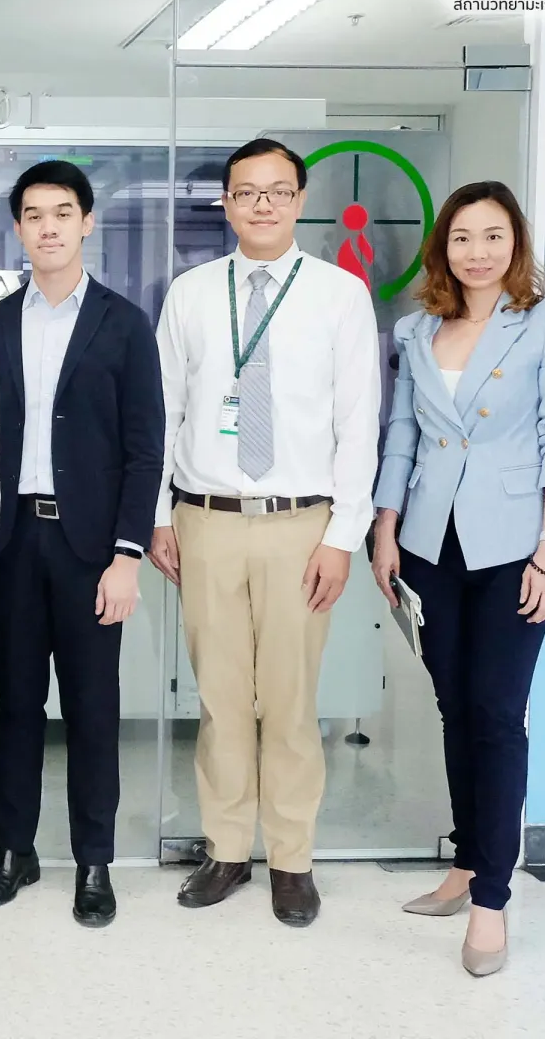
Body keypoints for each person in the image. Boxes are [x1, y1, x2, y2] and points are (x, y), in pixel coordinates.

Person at [149, 138, 379, 927]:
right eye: (246, 192)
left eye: (278, 191)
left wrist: (342, 537)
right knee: (219, 700)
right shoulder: (190, 293)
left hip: (299, 524)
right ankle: (225, 850)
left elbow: (359, 423)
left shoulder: (340, 295)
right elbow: (164, 412)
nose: (263, 205)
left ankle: (291, 859)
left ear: (301, 200)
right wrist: (157, 516)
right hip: (206, 520)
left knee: (289, 702)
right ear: (226, 203)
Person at [370, 181, 545, 977]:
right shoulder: (417, 328)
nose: (478, 251)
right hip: (430, 546)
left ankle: (492, 900)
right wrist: (385, 528)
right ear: (444, 248)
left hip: (514, 549)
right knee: (454, 707)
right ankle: (465, 862)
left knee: (497, 715)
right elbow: (401, 435)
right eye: (463, 237)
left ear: (515, 243)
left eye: (494, 236)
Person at [0, 160, 165, 927]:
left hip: (91, 551)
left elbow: (144, 450)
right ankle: (13, 850)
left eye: (61, 213)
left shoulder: (124, 324)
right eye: (33, 215)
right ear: (18, 229)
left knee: (92, 711)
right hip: (14, 544)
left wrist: (127, 555)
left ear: (86, 222)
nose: (47, 227)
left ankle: (94, 861)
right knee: (15, 708)